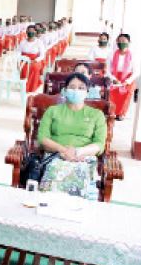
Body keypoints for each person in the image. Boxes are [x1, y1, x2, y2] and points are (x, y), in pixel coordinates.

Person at [36, 73, 107, 201]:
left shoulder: (97, 115)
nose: (76, 90)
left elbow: (99, 144)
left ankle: (78, 208)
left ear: (87, 92)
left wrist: (78, 152)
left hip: (84, 157)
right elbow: (42, 138)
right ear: (65, 90)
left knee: (81, 171)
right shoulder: (52, 111)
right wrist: (63, 150)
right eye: (72, 87)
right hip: (55, 155)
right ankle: (49, 205)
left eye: (81, 88)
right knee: (56, 169)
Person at [108, 34, 136, 120]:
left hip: (128, 78)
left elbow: (136, 71)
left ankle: (121, 113)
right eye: (119, 41)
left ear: (129, 42)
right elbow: (108, 69)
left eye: (123, 41)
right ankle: (113, 112)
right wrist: (113, 79)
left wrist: (127, 81)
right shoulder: (112, 54)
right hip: (115, 77)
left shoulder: (133, 55)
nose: (121, 43)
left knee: (127, 94)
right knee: (113, 93)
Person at [18, 27, 47, 92]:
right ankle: (24, 85)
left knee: (34, 67)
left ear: (35, 32)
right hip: (24, 60)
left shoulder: (39, 42)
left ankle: (32, 87)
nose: (30, 32)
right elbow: (18, 52)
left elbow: (42, 55)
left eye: (32, 31)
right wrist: (20, 59)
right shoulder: (23, 42)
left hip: (35, 60)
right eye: (29, 31)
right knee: (23, 67)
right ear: (26, 32)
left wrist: (35, 60)